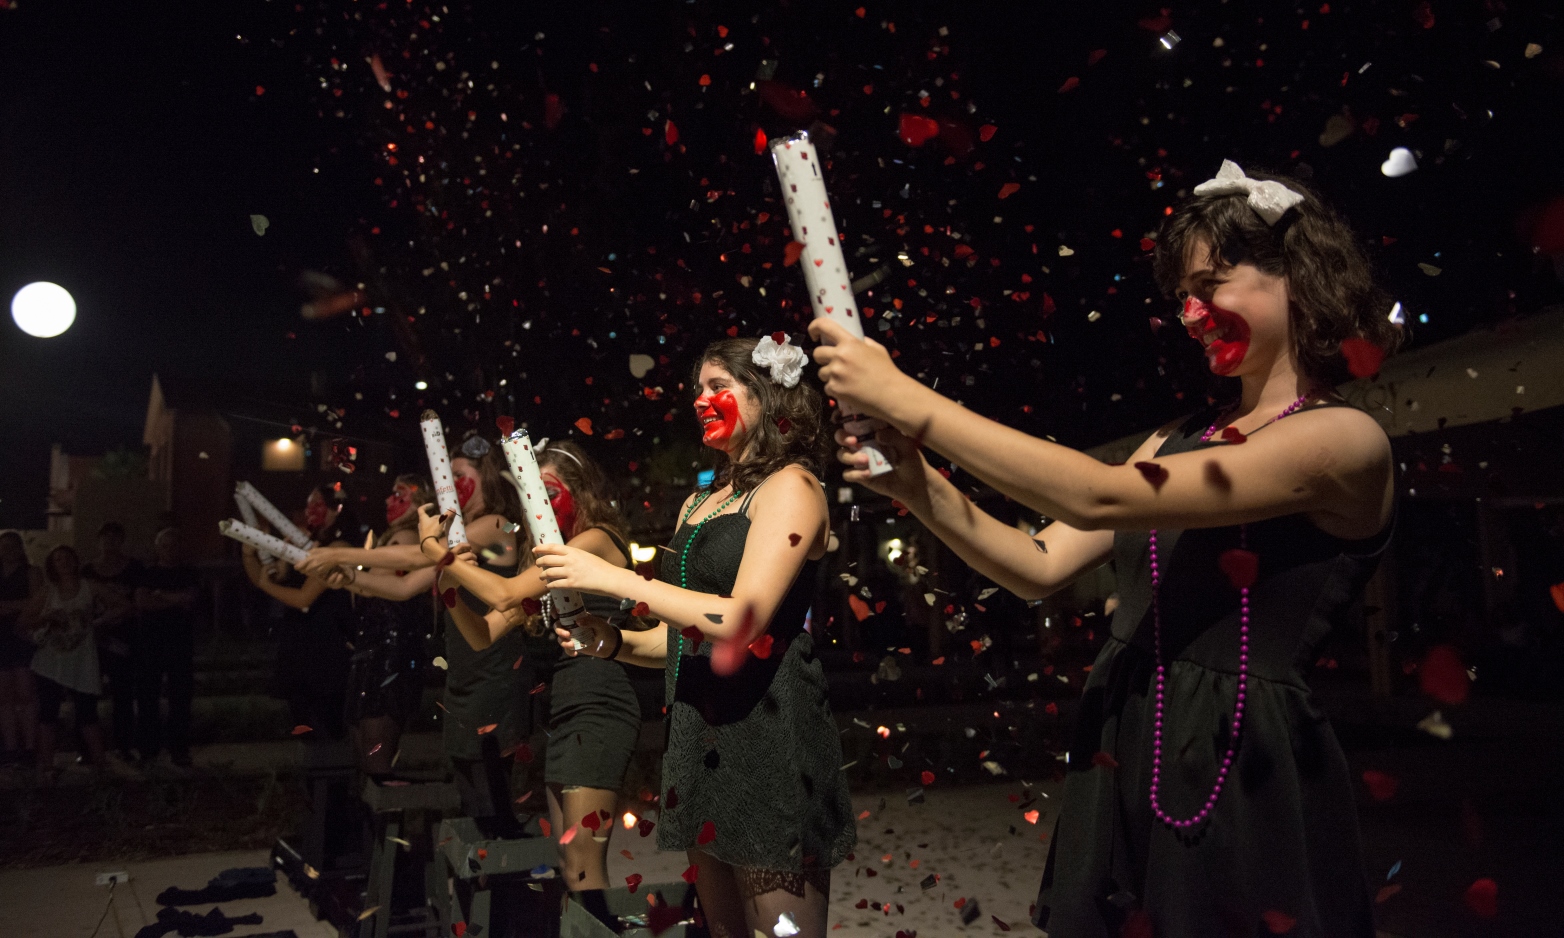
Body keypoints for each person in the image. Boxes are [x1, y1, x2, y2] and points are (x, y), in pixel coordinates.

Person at [809, 162, 1401, 938]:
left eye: (1213, 283)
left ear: (1298, 275)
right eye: (1181, 296)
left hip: (1239, 763)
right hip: (1126, 737)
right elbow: (1037, 565)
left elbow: (1098, 494)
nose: (1191, 313)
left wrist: (907, 400)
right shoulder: (1173, 437)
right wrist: (920, 487)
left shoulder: (1341, 440)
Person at [535, 335, 854, 938]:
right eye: (697, 390)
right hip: (700, 743)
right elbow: (680, 638)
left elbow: (741, 620)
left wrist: (615, 579)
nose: (701, 401)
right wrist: (614, 641)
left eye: (718, 387)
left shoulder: (793, 488)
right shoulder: (699, 502)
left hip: (769, 739)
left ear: (766, 396)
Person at [417, 438, 643, 896]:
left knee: (582, 860)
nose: (538, 507)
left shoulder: (596, 538)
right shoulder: (549, 560)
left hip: (600, 698)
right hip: (563, 705)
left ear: (580, 492)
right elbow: (483, 631)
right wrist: (448, 581)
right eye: (531, 496)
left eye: (550, 492)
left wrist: (434, 550)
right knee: (567, 860)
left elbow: (504, 592)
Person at [242, 484, 358, 739]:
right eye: (307, 504)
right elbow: (276, 576)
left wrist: (265, 583)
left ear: (335, 509)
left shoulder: (338, 546)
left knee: (327, 720)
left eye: (316, 504)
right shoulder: (307, 542)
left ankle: (334, 773)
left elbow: (304, 598)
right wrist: (251, 554)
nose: (308, 511)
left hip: (326, 643)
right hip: (299, 640)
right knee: (302, 718)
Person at [20, 545, 125, 783]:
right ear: (52, 566)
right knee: (48, 714)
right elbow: (23, 622)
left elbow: (122, 605)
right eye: (58, 560)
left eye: (67, 558)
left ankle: (100, 764)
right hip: (50, 662)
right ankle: (46, 765)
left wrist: (98, 622)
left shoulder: (90, 587)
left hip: (81, 661)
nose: (64, 563)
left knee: (87, 713)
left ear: (75, 561)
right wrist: (46, 618)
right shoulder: (48, 592)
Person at [134, 528, 200, 767]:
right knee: (147, 698)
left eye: (173, 545)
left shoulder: (189, 573)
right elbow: (143, 602)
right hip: (150, 643)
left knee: (180, 699)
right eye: (165, 545)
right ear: (157, 547)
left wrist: (161, 596)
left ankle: (179, 749)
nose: (169, 550)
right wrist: (176, 598)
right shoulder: (147, 573)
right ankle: (148, 749)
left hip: (180, 643)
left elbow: (191, 599)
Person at [82, 521, 144, 761]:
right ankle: (88, 748)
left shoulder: (134, 568)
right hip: (93, 641)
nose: (110, 543)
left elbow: (137, 602)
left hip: (124, 639)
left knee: (123, 696)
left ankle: (123, 746)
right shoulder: (87, 570)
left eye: (115, 538)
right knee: (86, 696)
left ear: (121, 541)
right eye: (105, 538)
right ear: (98, 541)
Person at [0, 531, 43, 768]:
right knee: (4, 697)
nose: (8, 550)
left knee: (26, 693)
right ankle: (10, 747)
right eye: (3, 546)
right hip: (1, 638)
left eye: (12, 545)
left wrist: (8, 606)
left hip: (22, 635)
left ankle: (29, 747)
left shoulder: (31, 572)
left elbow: (39, 600)